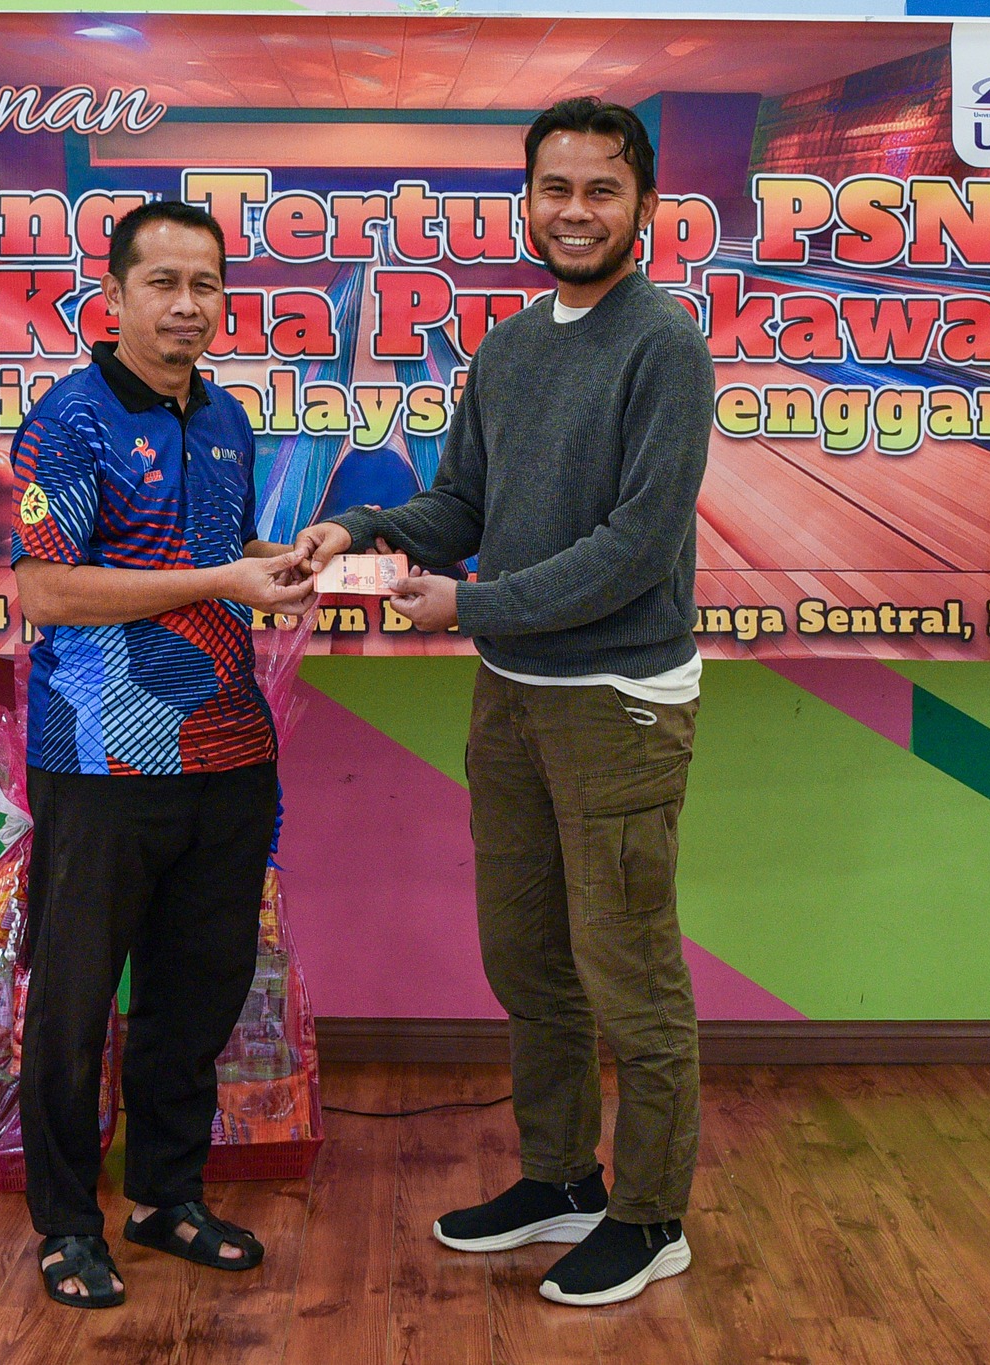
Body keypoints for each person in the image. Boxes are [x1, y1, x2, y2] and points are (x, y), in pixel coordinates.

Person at [295, 97, 715, 1308]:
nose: (574, 212)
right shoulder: (511, 346)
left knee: (627, 972)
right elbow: (461, 506)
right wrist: (358, 528)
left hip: (618, 702)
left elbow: (636, 549)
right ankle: (559, 1178)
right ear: (525, 199)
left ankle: (650, 1217)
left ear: (643, 206)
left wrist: (468, 607)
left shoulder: (663, 345)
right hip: (513, 695)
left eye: (600, 191)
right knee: (527, 960)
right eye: (554, 189)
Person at [9, 199, 316, 1309]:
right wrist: (225, 579)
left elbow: (216, 552)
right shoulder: (68, 422)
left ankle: (164, 1197)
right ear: (115, 297)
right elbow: (46, 589)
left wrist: (285, 560)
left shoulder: (226, 416)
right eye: (163, 284)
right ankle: (65, 1225)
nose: (187, 305)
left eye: (205, 285)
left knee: (198, 994)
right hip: (102, 760)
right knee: (74, 1006)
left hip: (229, 752)